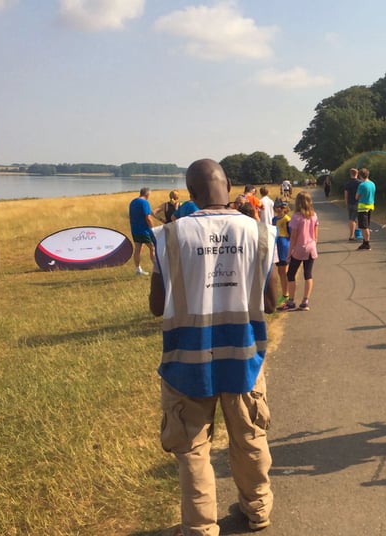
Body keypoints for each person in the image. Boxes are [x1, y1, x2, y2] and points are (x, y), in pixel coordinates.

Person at [149, 158, 278, 534]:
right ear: (229, 185)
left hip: (186, 362)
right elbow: (272, 302)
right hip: (244, 358)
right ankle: (257, 509)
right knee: (250, 438)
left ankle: (200, 528)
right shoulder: (259, 232)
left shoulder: (170, 236)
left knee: (192, 450)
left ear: (190, 194)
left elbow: (157, 305)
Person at [278, 191, 319, 311]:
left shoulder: (296, 217)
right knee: (308, 274)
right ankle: (305, 301)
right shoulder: (314, 215)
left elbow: (293, 237)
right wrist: (313, 244)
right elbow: (315, 234)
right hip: (311, 247)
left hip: (299, 248)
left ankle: (291, 301)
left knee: (291, 274)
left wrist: (289, 252)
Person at [128, 187, 156, 275]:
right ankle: (157, 268)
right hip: (144, 230)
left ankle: (138, 269)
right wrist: (153, 229)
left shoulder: (133, 202)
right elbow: (148, 218)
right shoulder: (145, 202)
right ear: (147, 194)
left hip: (135, 230)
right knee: (152, 248)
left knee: (137, 249)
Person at [272, 199, 291, 306]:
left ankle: (286, 294)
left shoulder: (287, 219)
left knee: (284, 271)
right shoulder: (274, 219)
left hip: (284, 246)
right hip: (277, 245)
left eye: (277, 207)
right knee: (280, 271)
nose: (275, 209)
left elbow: (291, 234)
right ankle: (284, 293)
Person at [355, 168, 376, 250]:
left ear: (360, 176)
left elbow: (357, 197)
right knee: (366, 225)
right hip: (370, 205)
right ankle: (365, 241)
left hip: (363, 207)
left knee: (364, 226)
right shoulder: (372, 184)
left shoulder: (362, 185)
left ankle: (366, 243)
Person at [343, 168, 360, 240]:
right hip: (357, 202)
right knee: (354, 219)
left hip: (350, 202)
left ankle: (352, 233)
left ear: (350, 174)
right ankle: (352, 235)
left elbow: (346, 194)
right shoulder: (359, 183)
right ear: (357, 174)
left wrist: (346, 202)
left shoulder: (348, 183)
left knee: (351, 219)